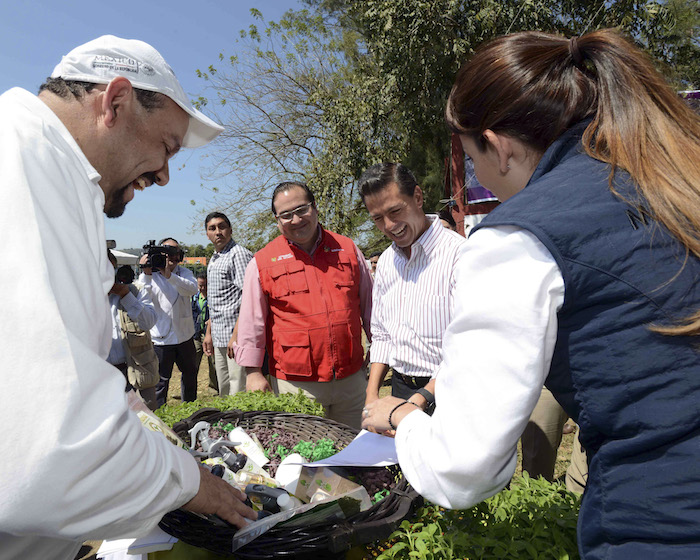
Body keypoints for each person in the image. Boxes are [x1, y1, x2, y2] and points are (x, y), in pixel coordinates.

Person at [362, 29, 700, 559]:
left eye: (472, 159)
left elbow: (464, 469)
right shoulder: (668, 179)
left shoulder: (517, 238)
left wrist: (401, 416)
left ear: (499, 146)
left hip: (661, 523)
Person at [0, 35, 255, 560]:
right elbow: (46, 457)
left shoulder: (58, 178)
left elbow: (68, 363)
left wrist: (139, 418)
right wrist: (191, 482)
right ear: (114, 102)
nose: (164, 175)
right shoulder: (23, 168)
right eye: (167, 147)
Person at [234, 182, 373, 429]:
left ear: (315, 208)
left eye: (302, 209)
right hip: (296, 385)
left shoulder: (348, 249)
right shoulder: (263, 261)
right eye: (286, 215)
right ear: (277, 220)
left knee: (356, 454)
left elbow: (372, 305)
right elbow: (251, 321)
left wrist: (379, 347)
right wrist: (252, 372)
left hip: (352, 380)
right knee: (306, 458)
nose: (296, 219)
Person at [359, 163, 465, 412]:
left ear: (418, 197)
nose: (388, 225)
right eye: (377, 218)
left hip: (451, 390)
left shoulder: (459, 254)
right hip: (400, 388)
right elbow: (382, 334)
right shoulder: (386, 261)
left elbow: (467, 344)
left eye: (395, 211)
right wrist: (372, 393)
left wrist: (421, 399)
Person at [139, 238, 199, 407]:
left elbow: (191, 289)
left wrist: (169, 275)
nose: (170, 257)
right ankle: (160, 417)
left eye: (174, 253)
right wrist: (146, 272)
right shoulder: (150, 275)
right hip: (161, 338)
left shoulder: (184, 273)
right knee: (160, 382)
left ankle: (190, 409)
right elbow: (142, 297)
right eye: (166, 253)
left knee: (190, 375)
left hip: (184, 336)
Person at [202, 212, 252, 395]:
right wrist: (209, 333)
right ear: (206, 233)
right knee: (224, 390)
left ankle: (242, 425)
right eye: (212, 228)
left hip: (237, 338)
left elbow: (250, 298)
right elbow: (214, 302)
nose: (218, 232)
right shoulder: (215, 258)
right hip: (219, 336)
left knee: (238, 391)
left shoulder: (238, 255)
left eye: (222, 226)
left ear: (230, 229)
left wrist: (236, 335)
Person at [107, 249, 159, 410]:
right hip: (104, 374)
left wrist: (125, 296)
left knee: (148, 422)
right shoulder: (83, 296)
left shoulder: (135, 290)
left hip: (138, 370)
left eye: (110, 269)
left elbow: (149, 322)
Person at [192, 272, 217, 392]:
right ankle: (190, 388)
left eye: (204, 286)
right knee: (192, 362)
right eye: (200, 285)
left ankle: (214, 388)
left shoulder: (213, 298)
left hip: (210, 334)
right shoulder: (194, 297)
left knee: (212, 362)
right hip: (196, 333)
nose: (202, 288)